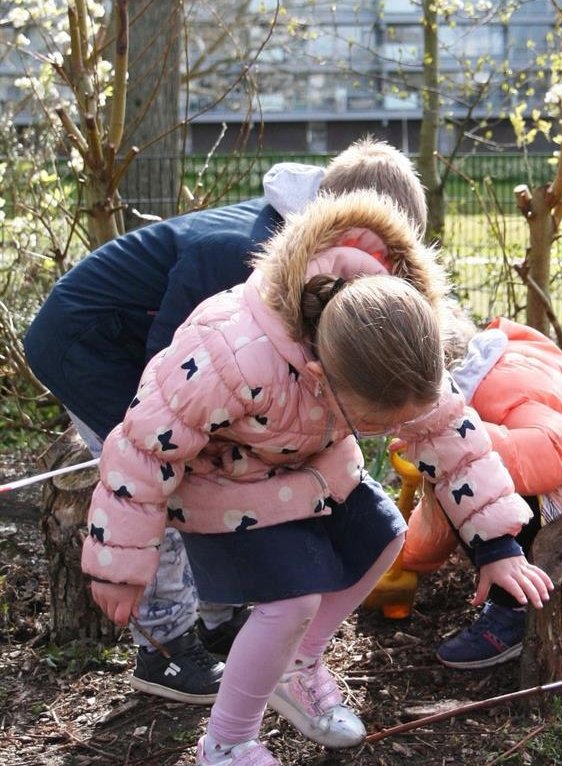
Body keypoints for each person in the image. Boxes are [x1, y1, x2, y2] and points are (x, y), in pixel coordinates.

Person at [81, 191, 552, 766]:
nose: (387, 433)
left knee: (385, 535)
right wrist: (120, 564)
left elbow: (449, 435)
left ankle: (295, 664)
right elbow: (141, 450)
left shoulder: (393, 334)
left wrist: (497, 545)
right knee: (293, 597)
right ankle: (223, 752)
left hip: (307, 469)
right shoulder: (229, 351)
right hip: (219, 486)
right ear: (317, 368)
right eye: (372, 422)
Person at [24, 136, 428, 704]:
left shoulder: (319, 272)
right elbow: (163, 388)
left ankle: (217, 617)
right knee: (169, 471)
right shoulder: (244, 258)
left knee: (220, 464)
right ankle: (163, 647)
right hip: (91, 342)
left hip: (163, 357)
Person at [396, 313, 562, 668]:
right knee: (463, 477)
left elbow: (548, 457)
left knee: (470, 480)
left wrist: (473, 442)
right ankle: (537, 593)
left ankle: (513, 608)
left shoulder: (497, 389)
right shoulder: (506, 368)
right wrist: (404, 557)